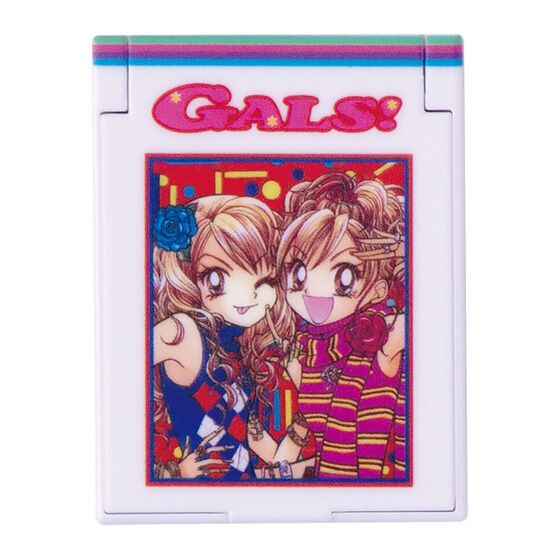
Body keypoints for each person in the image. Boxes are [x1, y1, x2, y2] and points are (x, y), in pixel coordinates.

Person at [151, 195, 312, 480]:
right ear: (192, 276)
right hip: (198, 496)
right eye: (217, 278)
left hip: (241, 487)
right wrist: (171, 473)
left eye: (264, 281)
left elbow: (250, 444)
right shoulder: (181, 331)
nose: (248, 295)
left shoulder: (237, 345)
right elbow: (115, 370)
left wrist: (306, 412)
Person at [276, 172, 408, 479]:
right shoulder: (301, 354)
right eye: (299, 272)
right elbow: (317, 438)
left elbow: (436, 318)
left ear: (377, 290)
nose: (314, 291)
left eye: (343, 276)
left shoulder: (382, 336)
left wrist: (408, 252)